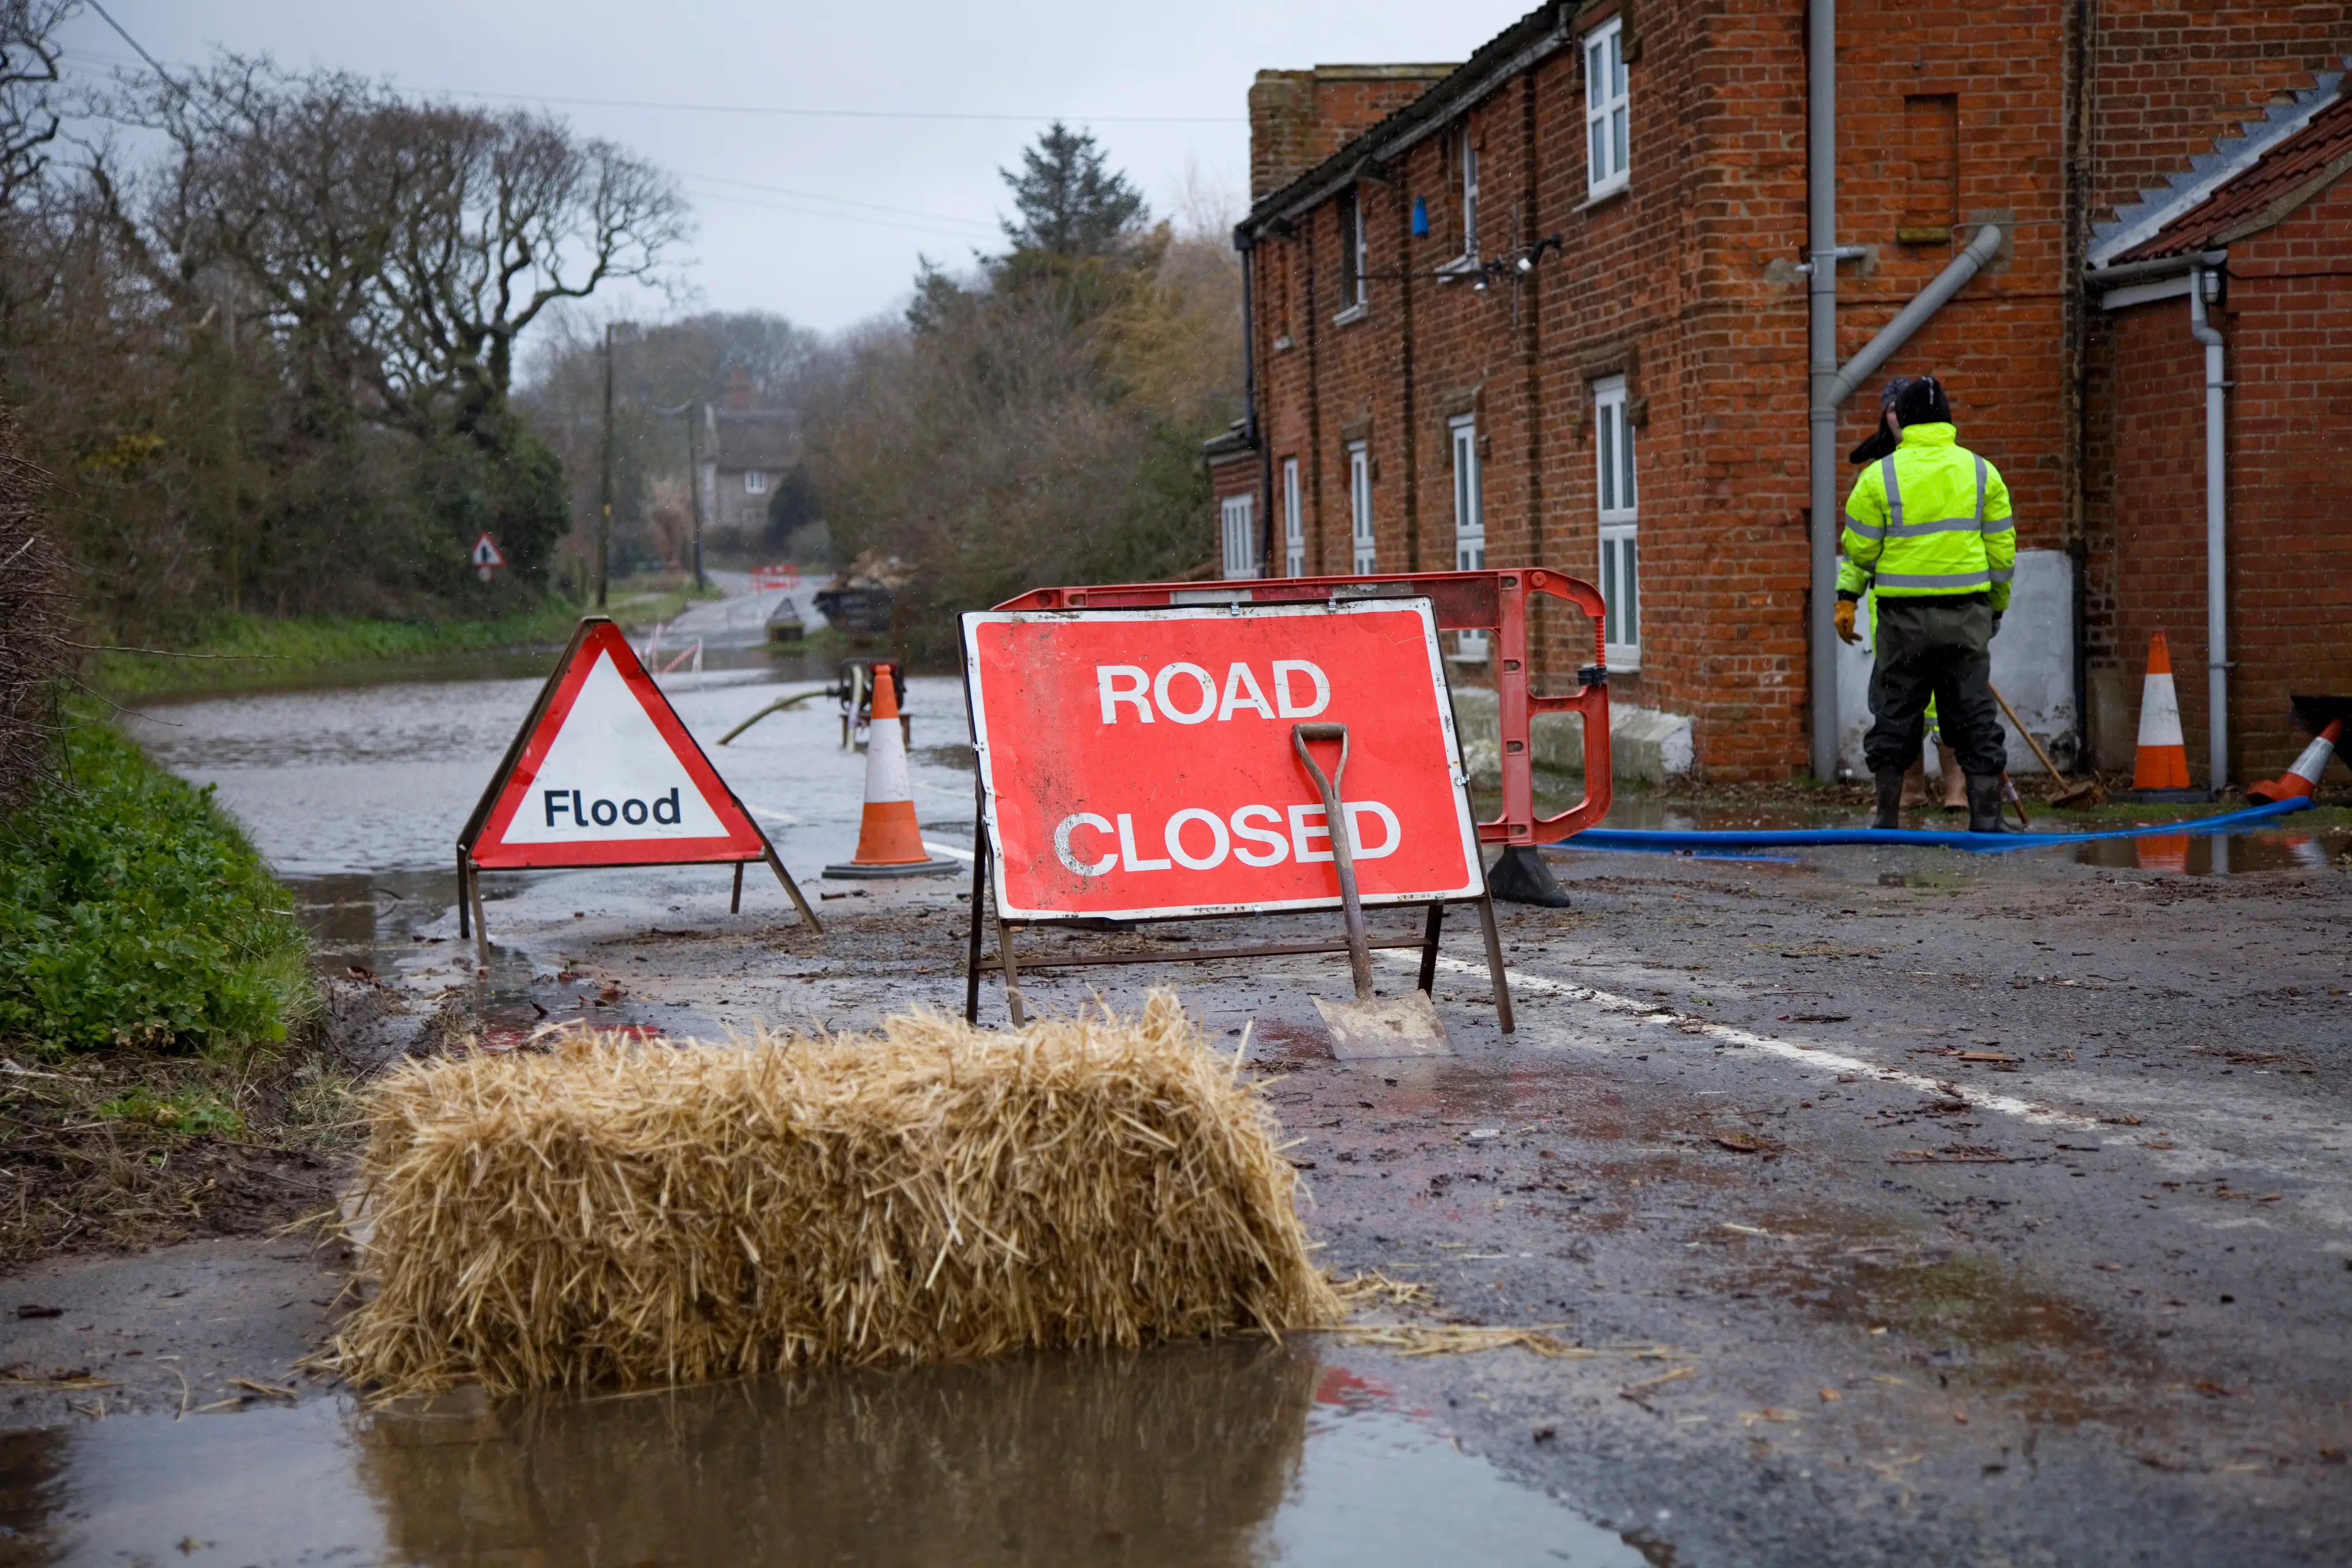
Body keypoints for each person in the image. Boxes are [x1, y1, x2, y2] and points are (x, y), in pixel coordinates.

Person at [1832, 375, 2017, 833]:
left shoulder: (1879, 476)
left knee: (1895, 714)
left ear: (1906, 418)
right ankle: (1987, 821)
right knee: (1973, 715)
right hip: (1966, 617)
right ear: (1948, 418)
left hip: (1902, 621)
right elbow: (2002, 554)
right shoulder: (1982, 473)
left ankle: (1888, 819)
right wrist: (1994, 609)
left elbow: (1860, 552)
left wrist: (1847, 598)